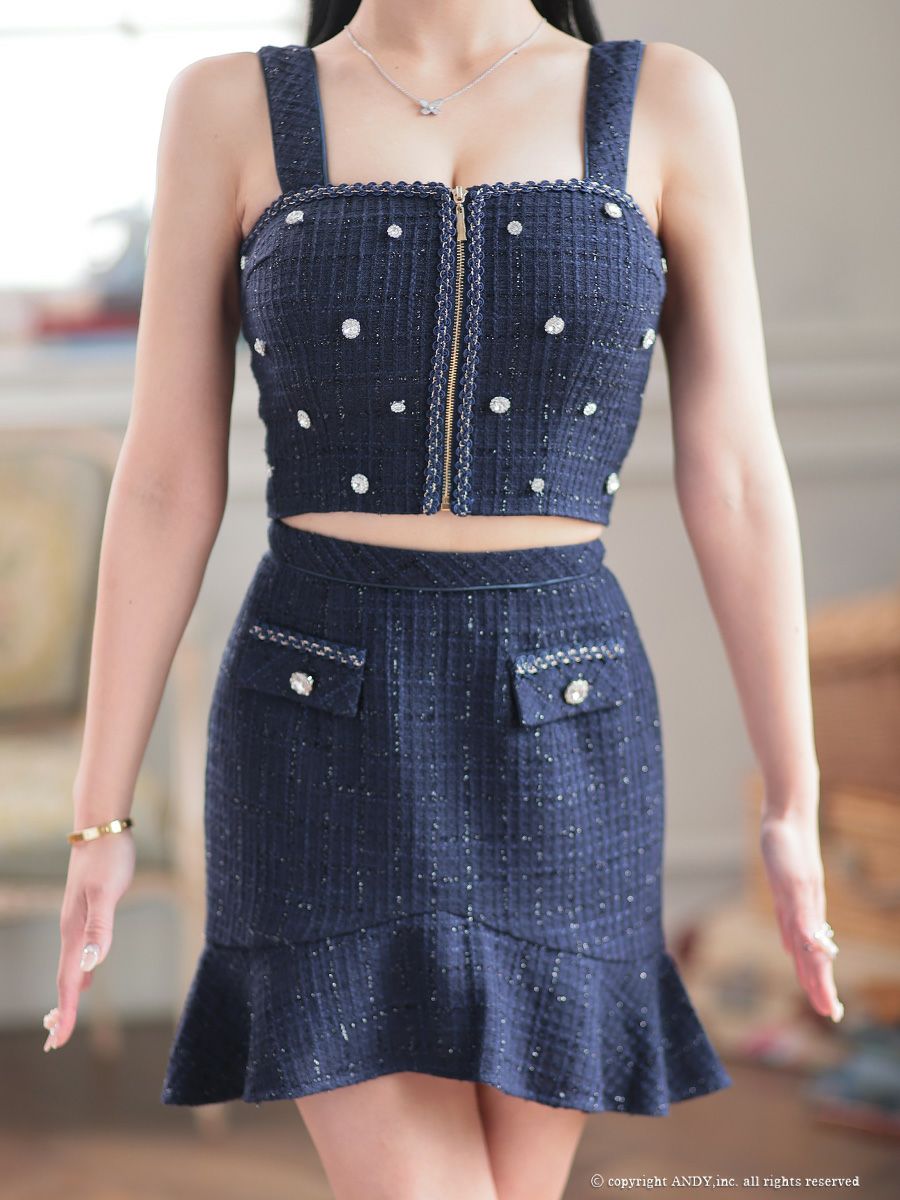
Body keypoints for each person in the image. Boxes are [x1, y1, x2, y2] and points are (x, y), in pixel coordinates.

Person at [44, 1, 842, 1197]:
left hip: (567, 728)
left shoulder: (669, 101)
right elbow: (162, 485)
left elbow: (734, 475)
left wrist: (793, 796)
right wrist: (99, 817)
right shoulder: (227, 106)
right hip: (315, 719)